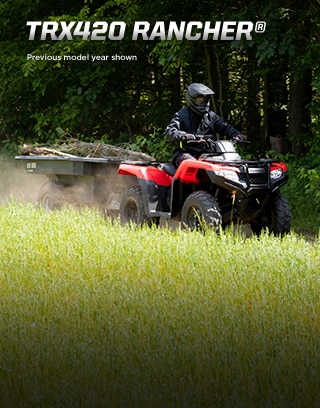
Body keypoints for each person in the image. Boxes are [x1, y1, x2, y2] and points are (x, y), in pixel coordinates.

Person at [166, 82, 246, 167]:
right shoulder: (182, 114)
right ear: (191, 99)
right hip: (185, 153)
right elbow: (170, 131)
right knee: (193, 165)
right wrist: (184, 135)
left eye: (204, 100)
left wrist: (237, 135)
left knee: (228, 164)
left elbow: (226, 127)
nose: (202, 102)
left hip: (207, 155)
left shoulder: (211, 116)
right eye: (199, 100)